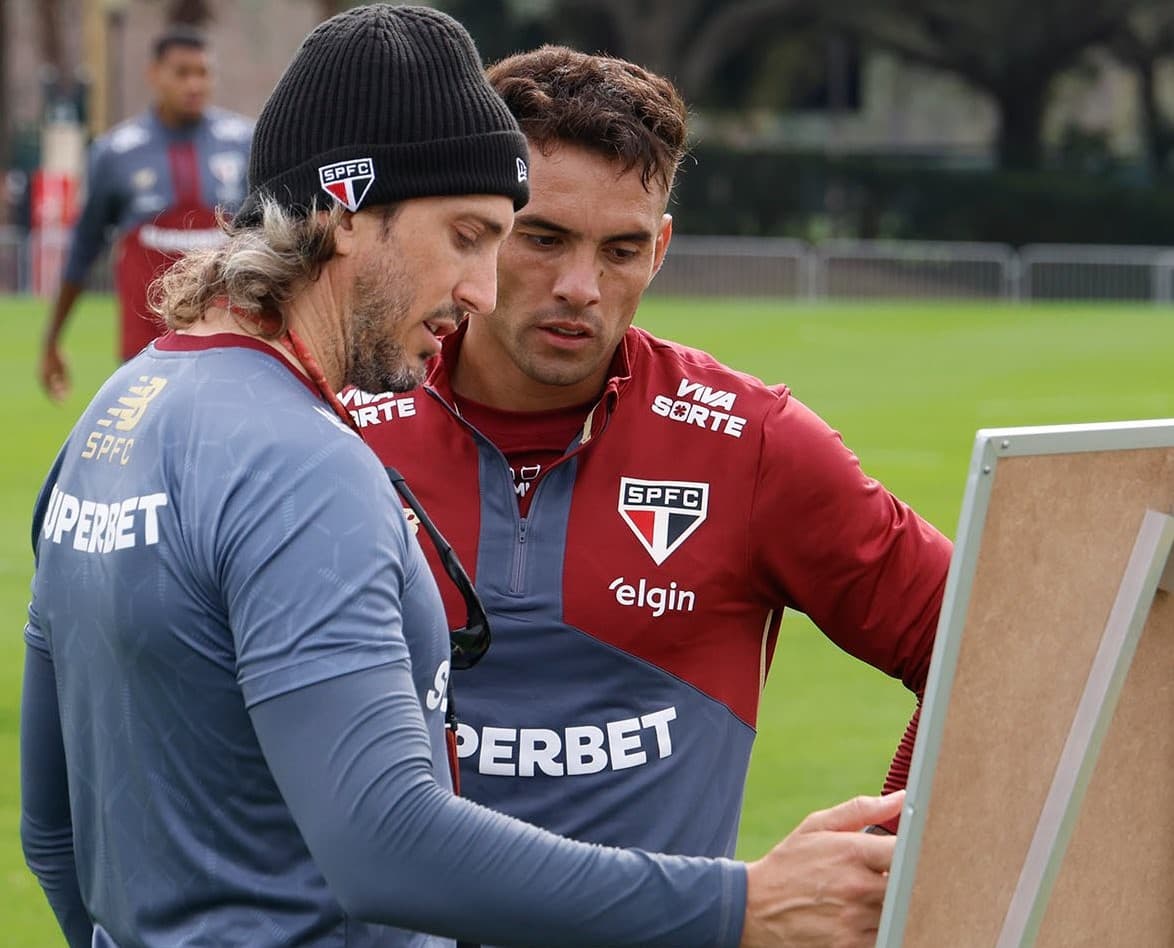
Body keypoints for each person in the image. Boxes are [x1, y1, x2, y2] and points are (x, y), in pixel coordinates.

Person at [20, 7, 904, 948]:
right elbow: (386, 844)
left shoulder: (119, 411)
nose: (481, 288)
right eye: (470, 234)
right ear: (347, 213)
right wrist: (742, 906)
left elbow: (52, 831)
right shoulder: (309, 462)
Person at [359, 45, 952, 858]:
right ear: (479, 225)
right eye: (541, 238)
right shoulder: (338, 423)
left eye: (621, 250)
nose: (581, 286)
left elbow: (994, 638)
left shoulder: (753, 442)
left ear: (662, 248)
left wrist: (888, 851)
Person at [39, 24, 253, 401]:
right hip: (146, 353)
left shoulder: (244, 142)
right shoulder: (116, 153)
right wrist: (53, 339)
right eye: (182, 73)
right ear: (154, 75)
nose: (194, 84)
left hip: (231, 344)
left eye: (202, 73)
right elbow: (83, 250)